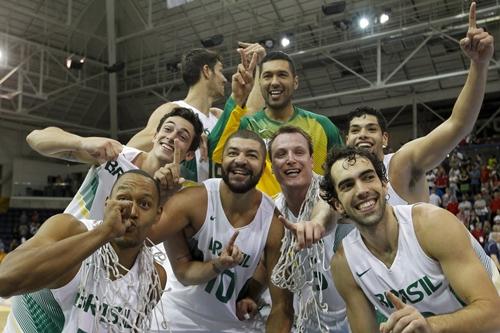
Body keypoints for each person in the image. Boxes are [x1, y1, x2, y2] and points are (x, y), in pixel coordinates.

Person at [320, 146, 500, 333]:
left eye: (368, 177)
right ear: (337, 205)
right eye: (347, 185)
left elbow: (494, 315)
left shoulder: (432, 225)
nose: (361, 190)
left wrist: (430, 326)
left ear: (384, 184)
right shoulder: (344, 264)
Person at [344, 2, 493, 206]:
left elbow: (458, 124)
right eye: (355, 130)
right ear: (346, 140)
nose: (362, 134)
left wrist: (479, 64)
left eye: (371, 129)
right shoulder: (342, 182)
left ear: (385, 139)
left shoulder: (401, 163)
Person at [149, 129, 293, 332]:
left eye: (251, 155)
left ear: (264, 166)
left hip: (230, 323)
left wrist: (251, 295)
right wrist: (157, 196)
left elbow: (282, 305)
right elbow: (139, 238)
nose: (241, 160)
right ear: (221, 160)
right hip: (176, 315)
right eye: (233, 153)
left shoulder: (274, 222)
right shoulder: (194, 200)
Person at [0, 170, 167, 332]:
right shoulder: (68, 230)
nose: (132, 212)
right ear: (107, 203)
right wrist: (105, 232)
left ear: (157, 214)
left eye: (144, 204)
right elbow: (4, 281)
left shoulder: (152, 278)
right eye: (123, 200)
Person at [26, 107, 204, 220]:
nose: (172, 137)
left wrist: (163, 198)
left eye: (182, 137)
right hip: (66, 247)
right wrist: (81, 142)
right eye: (167, 129)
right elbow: (35, 138)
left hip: (110, 272)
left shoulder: (175, 193)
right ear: (155, 136)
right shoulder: (115, 154)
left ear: (189, 155)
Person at [209, 50, 343, 197]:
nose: (274, 82)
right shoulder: (247, 126)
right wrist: (236, 97)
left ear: (295, 82)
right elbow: (215, 152)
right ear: (259, 83)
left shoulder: (322, 126)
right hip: (262, 215)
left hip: (314, 215)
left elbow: (343, 171)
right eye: (267, 76)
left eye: (282, 75)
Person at [267, 126, 352, 332]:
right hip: (304, 324)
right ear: (271, 167)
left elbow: (329, 207)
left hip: (351, 322)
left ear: (312, 160)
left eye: (298, 152)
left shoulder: (337, 191)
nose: (290, 159)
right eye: (281, 154)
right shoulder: (270, 211)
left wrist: (316, 223)